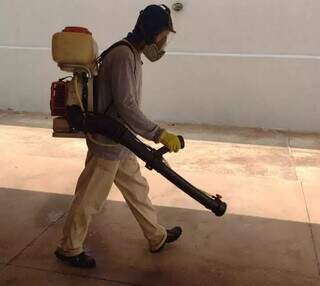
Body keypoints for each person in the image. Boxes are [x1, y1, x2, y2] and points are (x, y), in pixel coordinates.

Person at [54, 4, 183, 268]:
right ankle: (69, 248)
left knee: (137, 190)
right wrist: (159, 134)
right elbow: (127, 105)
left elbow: (125, 106)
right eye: (164, 35)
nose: (164, 41)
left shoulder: (131, 54)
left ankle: (156, 235)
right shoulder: (124, 56)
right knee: (90, 198)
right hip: (109, 142)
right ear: (152, 32)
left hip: (120, 141)